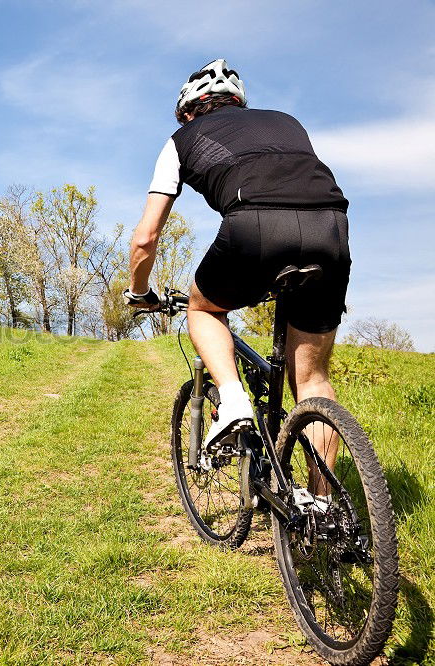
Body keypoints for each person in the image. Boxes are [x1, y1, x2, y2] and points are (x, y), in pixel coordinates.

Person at [125, 59, 350, 501]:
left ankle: (232, 400)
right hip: (332, 227)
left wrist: (139, 292)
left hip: (255, 226)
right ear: (239, 103)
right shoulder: (287, 122)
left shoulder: (180, 140)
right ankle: (322, 507)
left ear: (188, 111)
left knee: (204, 309)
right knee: (313, 380)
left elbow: (145, 238)